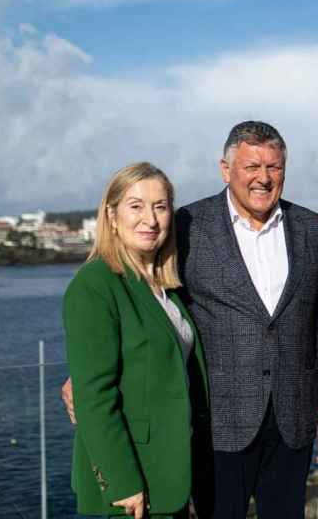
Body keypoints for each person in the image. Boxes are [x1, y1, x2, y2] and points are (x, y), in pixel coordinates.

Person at [63, 121, 318, 518]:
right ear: (225, 169)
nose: (264, 178)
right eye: (251, 167)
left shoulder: (310, 228)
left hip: (293, 417)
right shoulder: (186, 225)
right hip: (217, 421)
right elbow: (136, 308)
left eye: (274, 167)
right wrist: (83, 374)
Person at [63, 162, 208, 518]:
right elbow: (93, 397)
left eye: (160, 206)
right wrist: (122, 483)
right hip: (132, 487)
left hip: (171, 476)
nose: (150, 219)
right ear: (112, 216)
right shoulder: (95, 284)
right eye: (136, 206)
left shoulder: (166, 289)